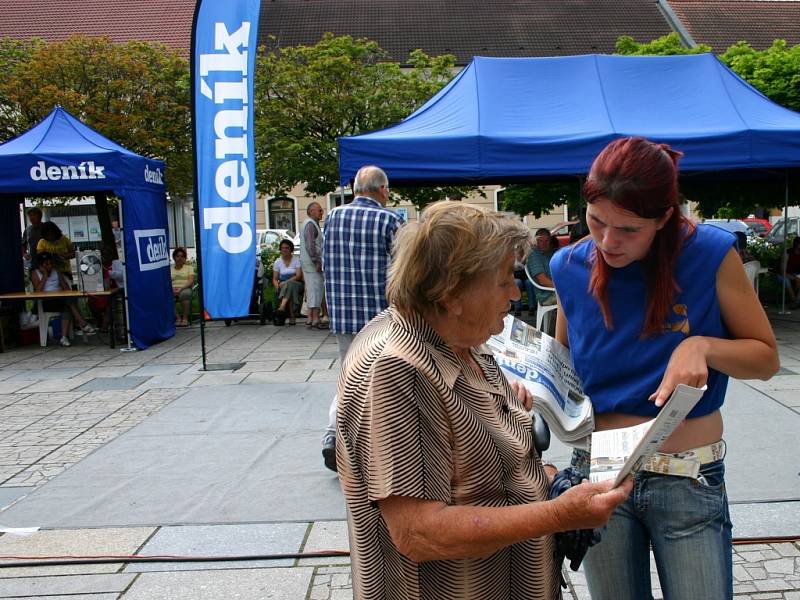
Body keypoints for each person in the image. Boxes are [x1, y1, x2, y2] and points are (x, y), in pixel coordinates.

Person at [337, 201, 631, 600]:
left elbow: (471, 466)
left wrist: (547, 480)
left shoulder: (460, 336)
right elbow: (419, 533)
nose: (514, 294)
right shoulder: (398, 370)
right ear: (451, 292)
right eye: (502, 281)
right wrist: (561, 514)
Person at [550, 137, 779, 600]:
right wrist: (530, 390)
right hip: (601, 475)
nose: (608, 242)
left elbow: (766, 358)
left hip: (688, 476)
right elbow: (561, 367)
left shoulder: (710, 254)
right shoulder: (568, 266)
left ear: (665, 218)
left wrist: (704, 345)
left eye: (629, 229)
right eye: (596, 222)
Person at [320, 165, 403, 471]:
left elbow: (324, 262)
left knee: (348, 377)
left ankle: (334, 437)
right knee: (380, 381)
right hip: (380, 317)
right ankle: (371, 449)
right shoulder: (390, 220)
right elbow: (401, 272)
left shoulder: (332, 218)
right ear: (383, 190)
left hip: (344, 315)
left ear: (355, 189)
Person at [36, 221, 95, 335]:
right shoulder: (42, 242)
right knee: (69, 300)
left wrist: (63, 256)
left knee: (69, 295)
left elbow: (73, 253)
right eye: (48, 235)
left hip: (63, 271)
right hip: (49, 274)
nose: (50, 237)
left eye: (52, 234)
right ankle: (81, 323)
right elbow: (40, 256)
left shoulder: (64, 239)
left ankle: (78, 324)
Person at [30, 252, 74, 347]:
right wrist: (45, 275)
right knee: (68, 303)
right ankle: (82, 323)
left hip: (60, 300)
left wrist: (63, 290)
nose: (49, 266)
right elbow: (37, 291)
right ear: (41, 265)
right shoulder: (35, 273)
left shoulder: (56, 272)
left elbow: (66, 288)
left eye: (50, 264)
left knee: (68, 303)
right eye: (46, 264)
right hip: (46, 302)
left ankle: (63, 337)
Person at [299, 202, 327, 329]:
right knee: (315, 290)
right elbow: (310, 246)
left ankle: (311, 318)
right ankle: (315, 318)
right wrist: (316, 261)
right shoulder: (310, 225)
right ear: (311, 211)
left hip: (308, 263)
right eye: (320, 210)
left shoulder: (309, 224)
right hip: (312, 264)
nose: (322, 213)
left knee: (312, 290)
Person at [272, 239, 303, 325]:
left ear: (291, 249)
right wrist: (276, 286)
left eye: (287, 248)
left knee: (290, 285)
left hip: (297, 283)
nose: (284, 250)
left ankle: (282, 307)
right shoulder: (277, 262)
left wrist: (285, 282)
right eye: (282, 248)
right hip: (283, 285)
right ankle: (292, 316)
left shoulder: (296, 260)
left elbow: (298, 276)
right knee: (289, 288)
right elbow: (274, 278)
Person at [525, 227, 558, 310]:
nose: (544, 244)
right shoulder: (534, 255)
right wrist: (564, 287)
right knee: (576, 296)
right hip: (547, 295)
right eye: (540, 241)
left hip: (555, 291)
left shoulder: (550, 253)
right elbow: (543, 281)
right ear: (536, 242)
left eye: (547, 241)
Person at [170, 247, 195, 327]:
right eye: (177, 256)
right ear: (174, 257)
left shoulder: (189, 268)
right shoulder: (169, 269)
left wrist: (181, 288)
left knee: (185, 295)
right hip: (172, 289)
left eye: (182, 256)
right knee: (166, 297)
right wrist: (172, 289)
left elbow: (190, 281)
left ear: (184, 258)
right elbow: (167, 282)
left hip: (185, 288)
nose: (180, 258)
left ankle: (185, 319)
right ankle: (178, 318)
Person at [21, 207, 43, 272]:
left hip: (46, 263)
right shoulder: (28, 230)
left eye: (34, 215)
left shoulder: (46, 227)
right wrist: (24, 254)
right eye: (30, 215)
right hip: (33, 264)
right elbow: (23, 244)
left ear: (40, 216)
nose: (31, 217)